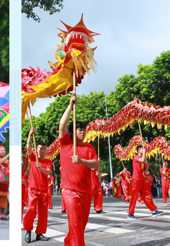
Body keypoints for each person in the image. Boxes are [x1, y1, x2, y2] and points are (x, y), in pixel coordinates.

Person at [55, 95, 99, 246]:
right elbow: (62, 124)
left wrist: (81, 161)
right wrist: (70, 106)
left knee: (80, 225)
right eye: (80, 129)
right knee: (75, 224)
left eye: (84, 130)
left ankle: (69, 242)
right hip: (69, 191)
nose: (83, 132)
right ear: (73, 132)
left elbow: (95, 164)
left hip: (86, 191)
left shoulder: (89, 148)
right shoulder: (66, 143)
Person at [23, 126, 52, 243]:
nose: (43, 151)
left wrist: (41, 169)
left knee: (43, 213)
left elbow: (49, 172)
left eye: (44, 149)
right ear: (37, 149)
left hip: (44, 190)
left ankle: (40, 233)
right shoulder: (33, 158)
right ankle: (28, 231)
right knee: (31, 210)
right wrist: (30, 134)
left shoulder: (48, 161)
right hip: (33, 189)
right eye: (40, 148)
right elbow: (28, 148)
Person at [127, 146, 163, 218]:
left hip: (142, 180)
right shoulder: (136, 157)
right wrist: (144, 154)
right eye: (141, 149)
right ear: (139, 150)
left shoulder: (142, 160)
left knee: (147, 195)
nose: (143, 150)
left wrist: (147, 166)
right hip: (135, 180)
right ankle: (130, 213)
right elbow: (142, 159)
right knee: (134, 196)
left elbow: (145, 170)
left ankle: (154, 210)